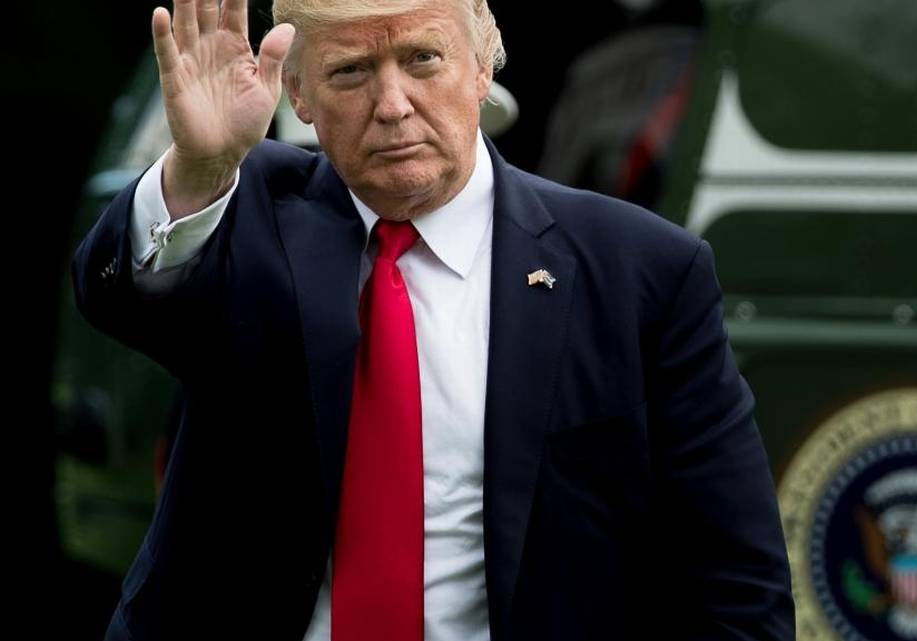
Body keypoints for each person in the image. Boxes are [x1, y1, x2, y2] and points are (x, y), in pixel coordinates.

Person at [71, 0, 795, 639]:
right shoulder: (247, 211)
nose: (393, 104)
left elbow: (736, 584)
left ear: (483, 64)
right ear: (299, 94)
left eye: (422, 58)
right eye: (352, 72)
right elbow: (117, 298)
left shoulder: (639, 271)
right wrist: (198, 171)